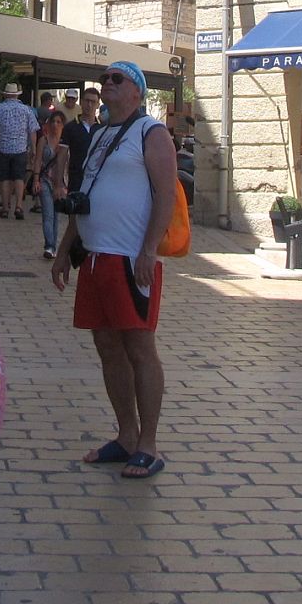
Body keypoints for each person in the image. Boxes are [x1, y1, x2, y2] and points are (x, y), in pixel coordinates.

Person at [50, 60, 177, 480]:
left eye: (116, 79)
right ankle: (126, 435)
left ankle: (149, 445)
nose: (107, 83)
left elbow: (166, 196)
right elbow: (87, 195)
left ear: (137, 91)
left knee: (139, 347)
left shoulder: (151, 133)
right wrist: (65, 251)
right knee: (107, 346)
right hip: (95, 256)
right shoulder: (101, 134)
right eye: (104, 78)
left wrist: (148, 250)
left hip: (130, 258)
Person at [0, 81, 38, 220]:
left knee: (4, 178)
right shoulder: (26, 110)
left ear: (5, 95)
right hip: (20, 148)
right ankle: (19, 206)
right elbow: (33, 130)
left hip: (3, 147)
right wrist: (33, 149)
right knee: (19, 177)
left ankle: (6, 207)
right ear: (17, 95)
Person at [34, 109, 70, 261]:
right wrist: (36, 179)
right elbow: (38, 160)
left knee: (56, 215)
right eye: (53, 122)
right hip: (45, 180)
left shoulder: (65, 143)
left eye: (59, 122)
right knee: (48, 214)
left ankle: (53, 246)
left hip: (60, 183)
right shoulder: (44, 140)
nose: (55, 125)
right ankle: (49, 245)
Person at [64, 86, 102, 184]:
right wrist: (59, 183)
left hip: (97, 180)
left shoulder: (103, 129)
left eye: (93, 102)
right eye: (87, 101)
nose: (89, 105)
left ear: (98, 105)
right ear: (81, 102)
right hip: (75, 180)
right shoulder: (70, 127)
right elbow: (62, 156)